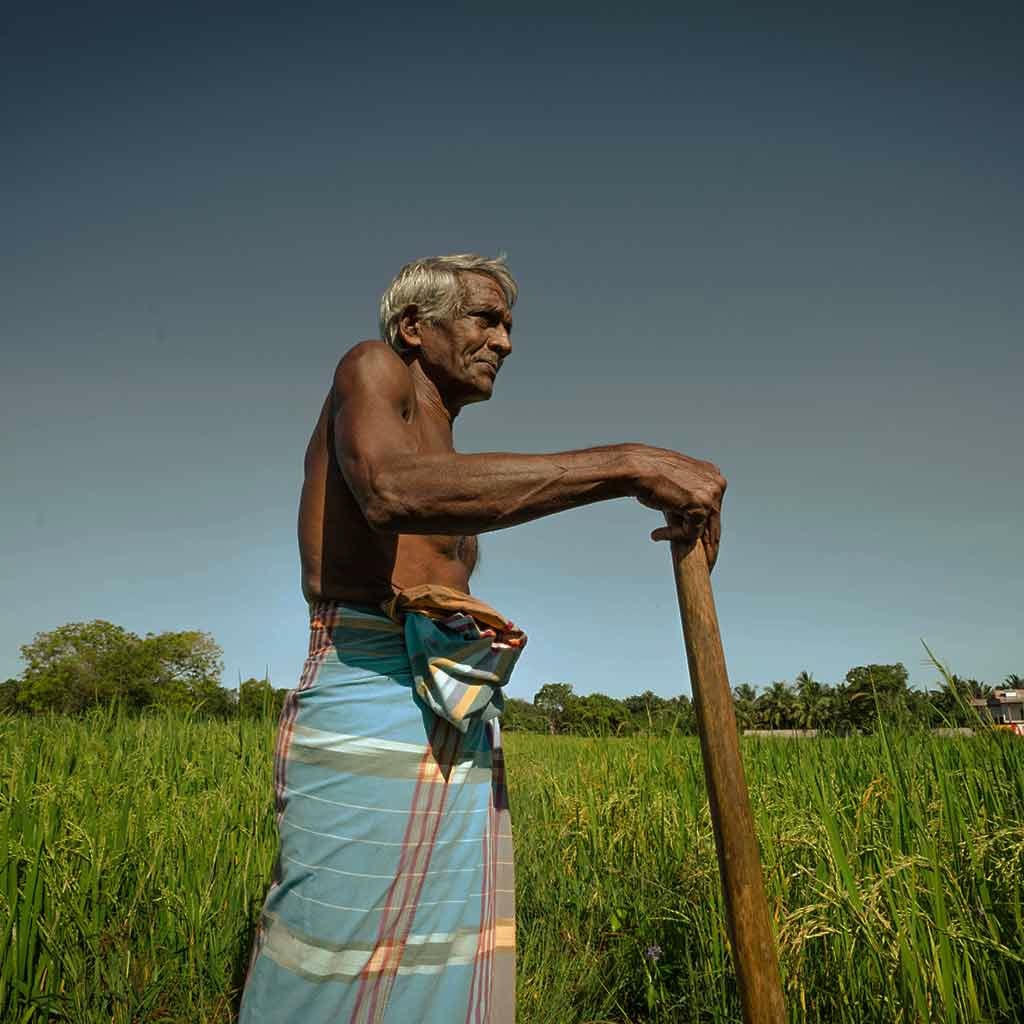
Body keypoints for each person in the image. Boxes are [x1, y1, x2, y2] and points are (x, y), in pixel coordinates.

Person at [238, 254, 726, 1022]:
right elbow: (392, 492)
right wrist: (625, 465)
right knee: (331, 946)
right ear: (413, 327)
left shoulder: (445, 442)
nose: (504, 342)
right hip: (368, 685)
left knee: (441, 945)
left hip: (450, 701)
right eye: (484, 319)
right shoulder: (370, 369)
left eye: (508, 326)